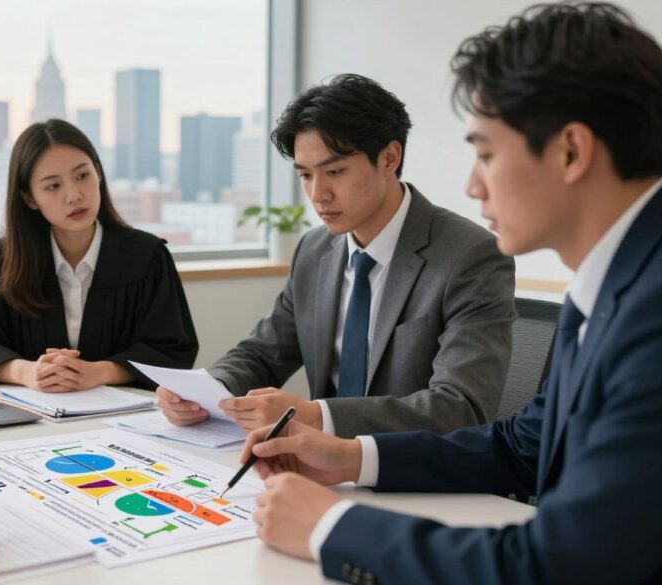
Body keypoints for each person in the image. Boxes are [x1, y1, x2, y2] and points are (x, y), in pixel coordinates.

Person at [244, 3, 662, 583]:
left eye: (486, 152)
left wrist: (330, 528)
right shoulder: (608, 289)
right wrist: (349, 457)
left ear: (571, 151)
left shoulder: (650, 314)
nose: (471, 182)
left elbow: (563, 564)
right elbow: (522, 446)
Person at [158, 74, 516, 437]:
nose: (318, 194)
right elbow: (261, 354)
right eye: (305, 175)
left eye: (334, 171)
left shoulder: (470, 256)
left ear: (390, 158)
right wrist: (204, 391)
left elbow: (461, 407)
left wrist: (316, 416)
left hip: (411, 473)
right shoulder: (314, 251)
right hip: (317, 467)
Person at [0, 119, 198, 392]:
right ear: (29, 198)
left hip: (124, 420)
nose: (74, 195)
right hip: (28, 422)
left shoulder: (147, 258)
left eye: (82, 176)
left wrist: (99, 372)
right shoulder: (0, 263)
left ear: (99, 173)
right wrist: (24, 371)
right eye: (53, 186)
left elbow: (173, 352)